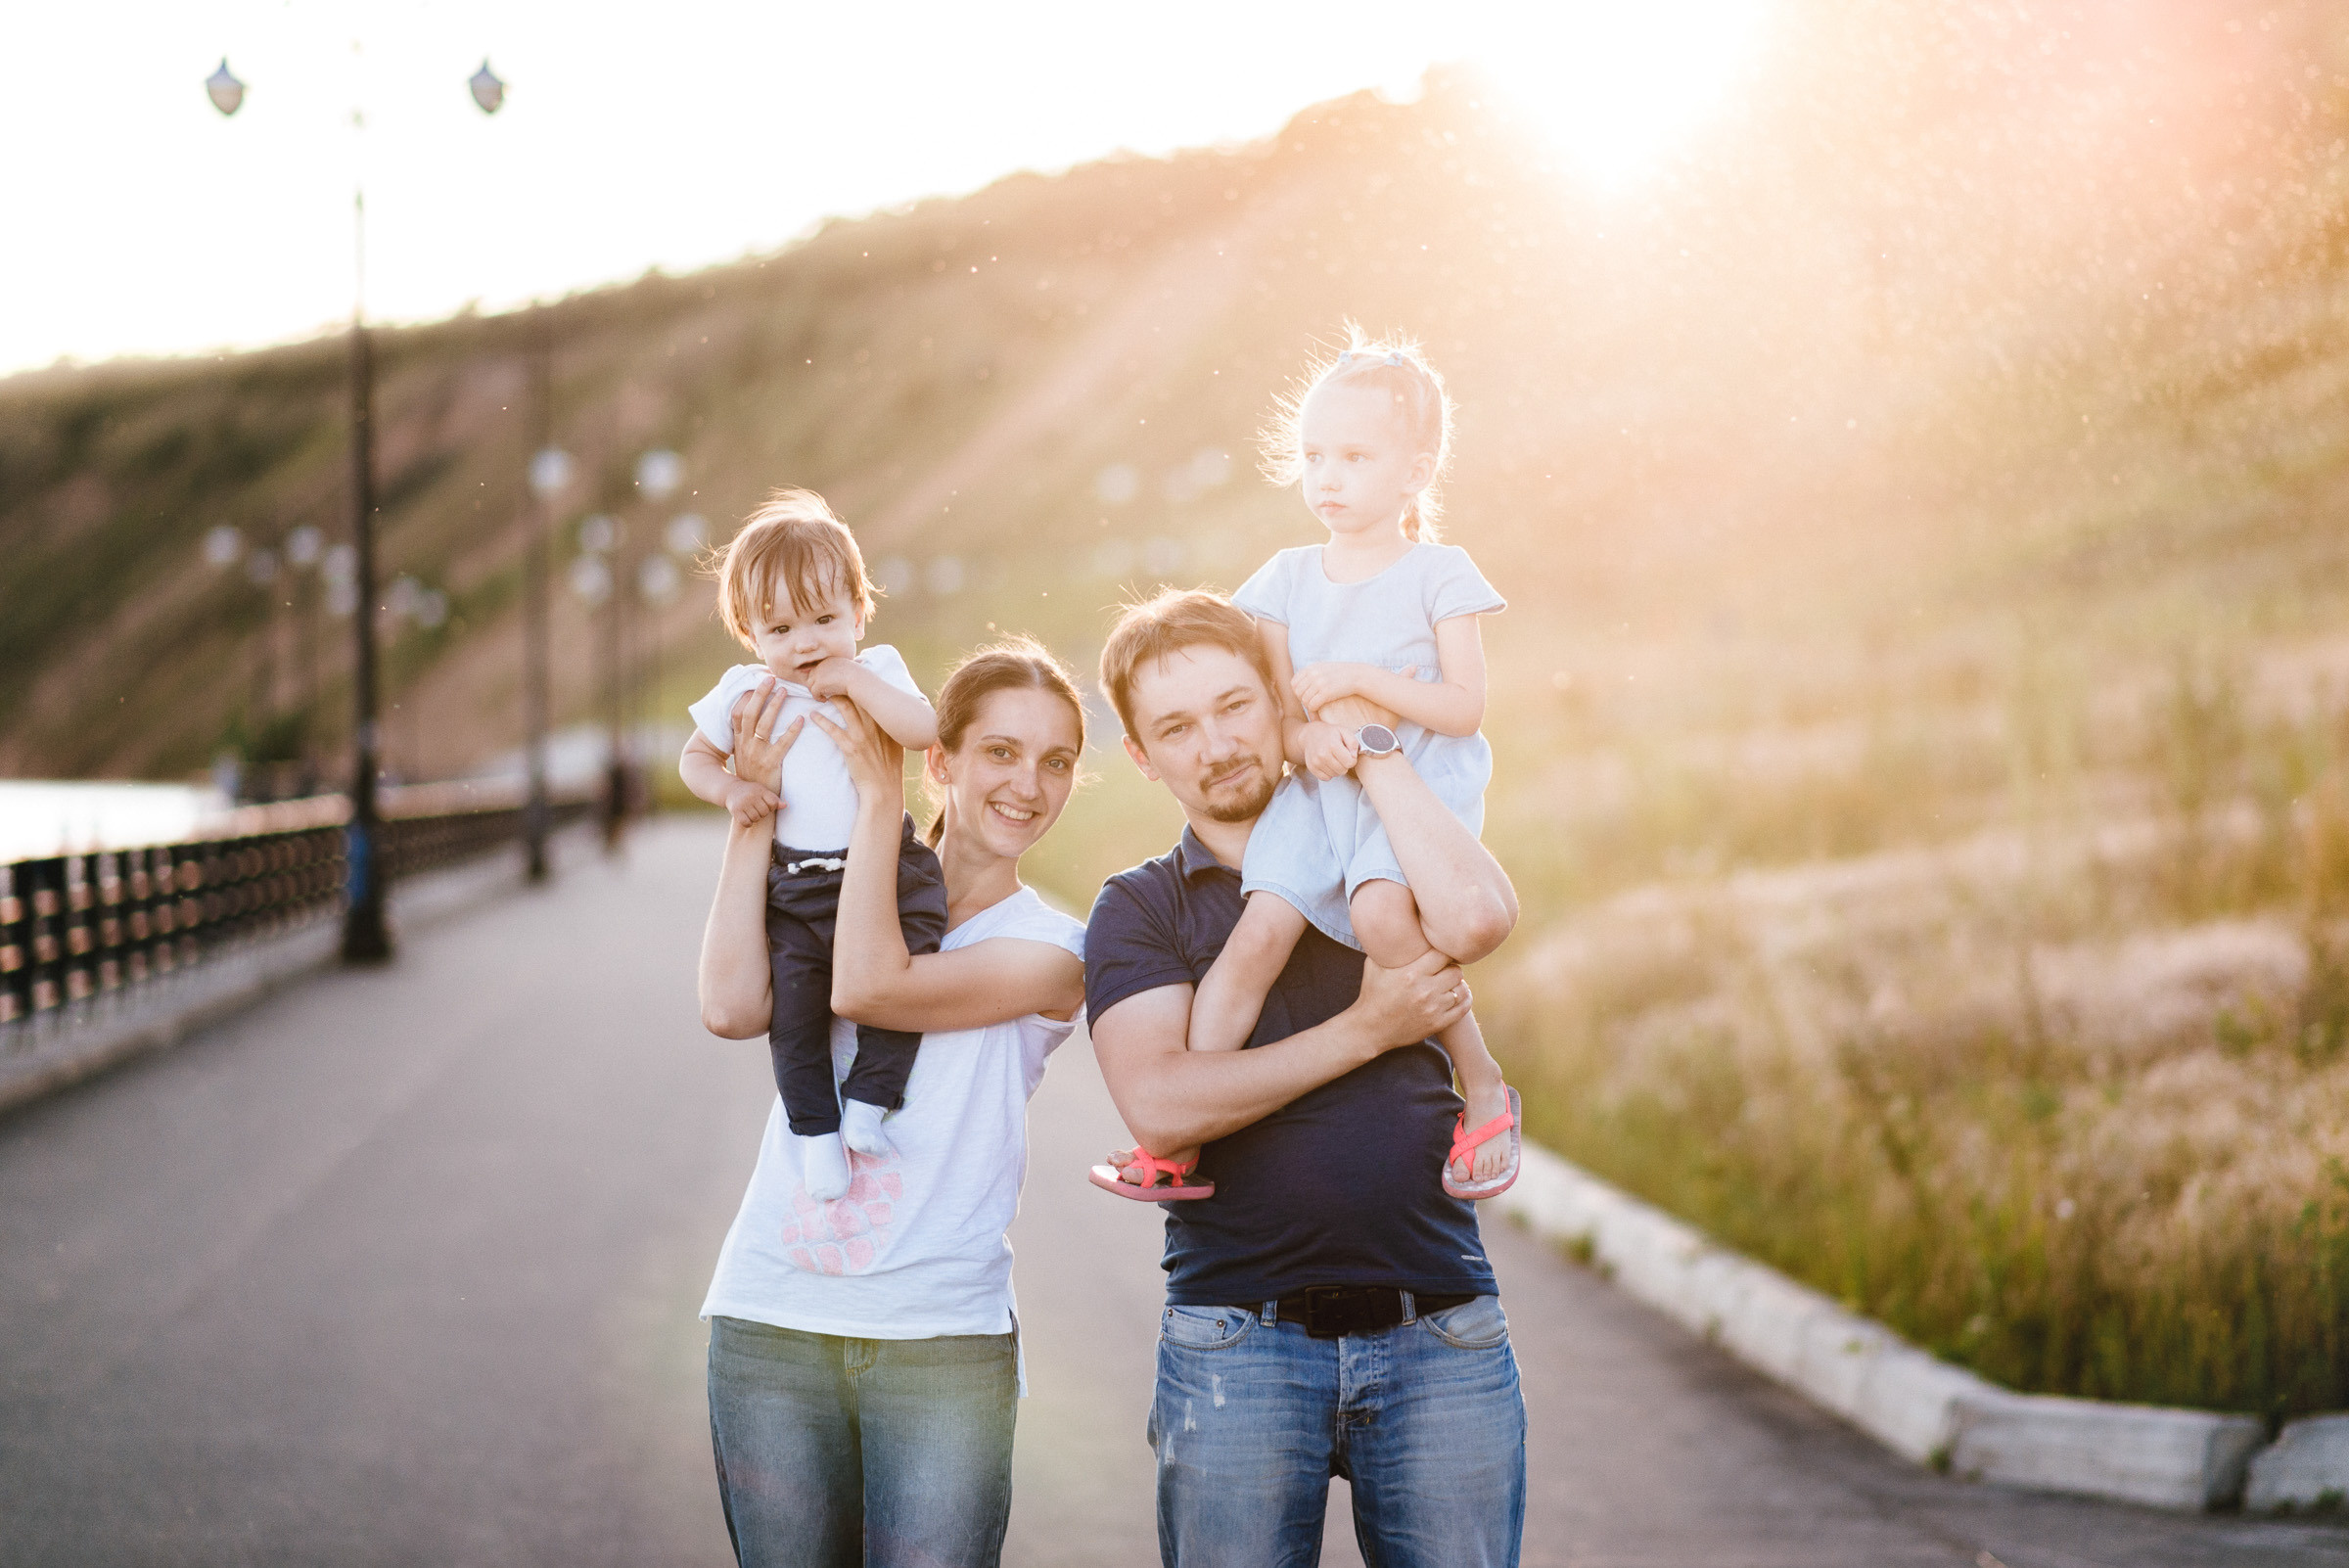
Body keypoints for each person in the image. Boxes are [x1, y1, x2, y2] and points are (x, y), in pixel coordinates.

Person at [1084, 587, 1526, 1564]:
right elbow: (1162, 1111)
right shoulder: (1140, 909)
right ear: (1144, 758)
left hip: (1440, 1327)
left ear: (1280, 698)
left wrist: (1375, 747)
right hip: (1236, 1341)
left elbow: (1485, 911)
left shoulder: (1386, 853)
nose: (1216, 743)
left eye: (1236, 705)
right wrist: (1371, 1027)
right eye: (1177, 727)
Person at [697, 637, 1090, 1568]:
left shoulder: (1058, 950)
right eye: (1000, 751)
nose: (1028, 786)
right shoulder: (821, 885)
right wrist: (753, 814)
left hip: (939, 1342)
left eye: (1057, 762)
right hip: (771, 1321)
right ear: (940, 759)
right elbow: (728, 1007)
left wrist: (879, 801)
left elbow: (871, 985)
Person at [1099, 330, 1518, 1205]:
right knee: (1254, 938)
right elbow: (1282, 717)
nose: (1327, 477)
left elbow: (1463, 708)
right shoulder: (1285, 579)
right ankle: (1173, 1141)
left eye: (1355, 457)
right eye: (1312, 456)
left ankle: (1480, 1083)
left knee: (1379, 914)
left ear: (1415, 470)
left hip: (1409, 784)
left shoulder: (1441, 573)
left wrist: (1364, 690)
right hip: (1320, 788)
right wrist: (1308, 741)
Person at [679, 487, 947, 1201]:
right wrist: (735, 792)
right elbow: (694, 760)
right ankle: (816, 1134)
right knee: (795, 1017)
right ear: (750, 635)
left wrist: (854, 680)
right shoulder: (744, 691)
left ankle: (868, 1103)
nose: (806, 644)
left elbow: (923, 730)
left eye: (827, 620)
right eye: (781, 629)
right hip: (796, 887)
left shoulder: (877, 670)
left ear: (860, 611)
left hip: (887, 871)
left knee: (906, 976)